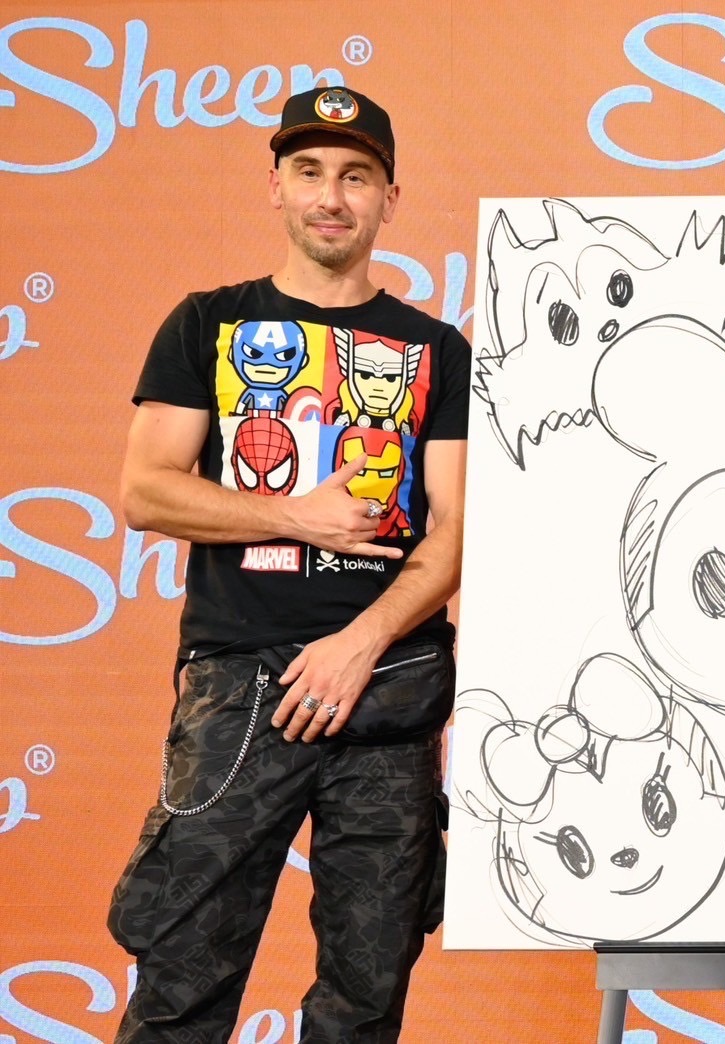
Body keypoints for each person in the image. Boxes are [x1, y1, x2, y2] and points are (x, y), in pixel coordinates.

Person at [106, 85, 470, 1043]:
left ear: (390, 199)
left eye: (356, 177)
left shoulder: (437, 349)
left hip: (387, 683)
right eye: (309, 172)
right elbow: (147, 492)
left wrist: (359, 642)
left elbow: (457, 530)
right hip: (239, 687)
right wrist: (296, 515)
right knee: (181, 979)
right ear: (276, 187)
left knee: (366, 993)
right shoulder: (207, 323)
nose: (331, 197)